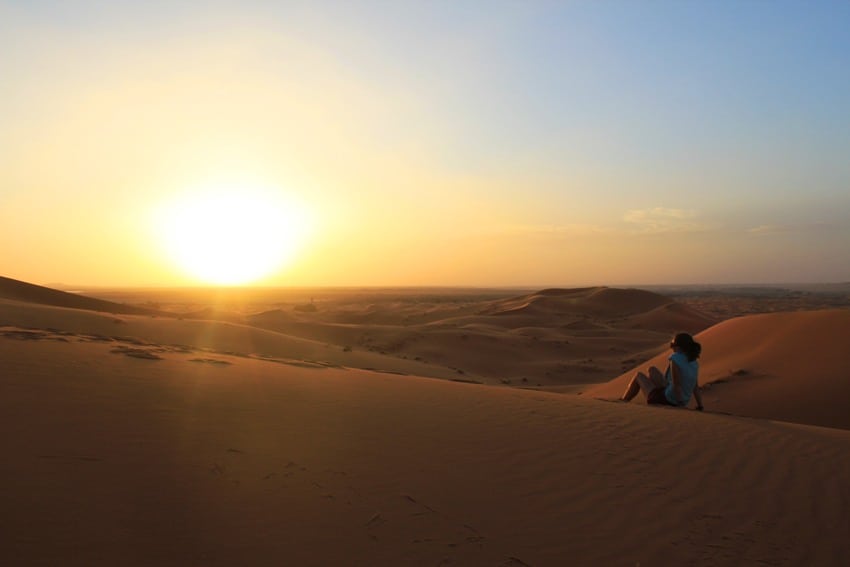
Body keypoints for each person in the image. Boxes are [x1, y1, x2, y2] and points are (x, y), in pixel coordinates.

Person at [621, 332, 704, 410]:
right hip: (676, 397)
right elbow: (695, 386)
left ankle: (623, 402)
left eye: (672, 344)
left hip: (668, 401)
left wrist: (680, 405)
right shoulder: (694, 362)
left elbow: (677, 384)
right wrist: (700, 406)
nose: (671, 347)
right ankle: (656, 393)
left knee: (638, 376)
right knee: (651, 370)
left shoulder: (675, 358)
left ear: (678, 347)